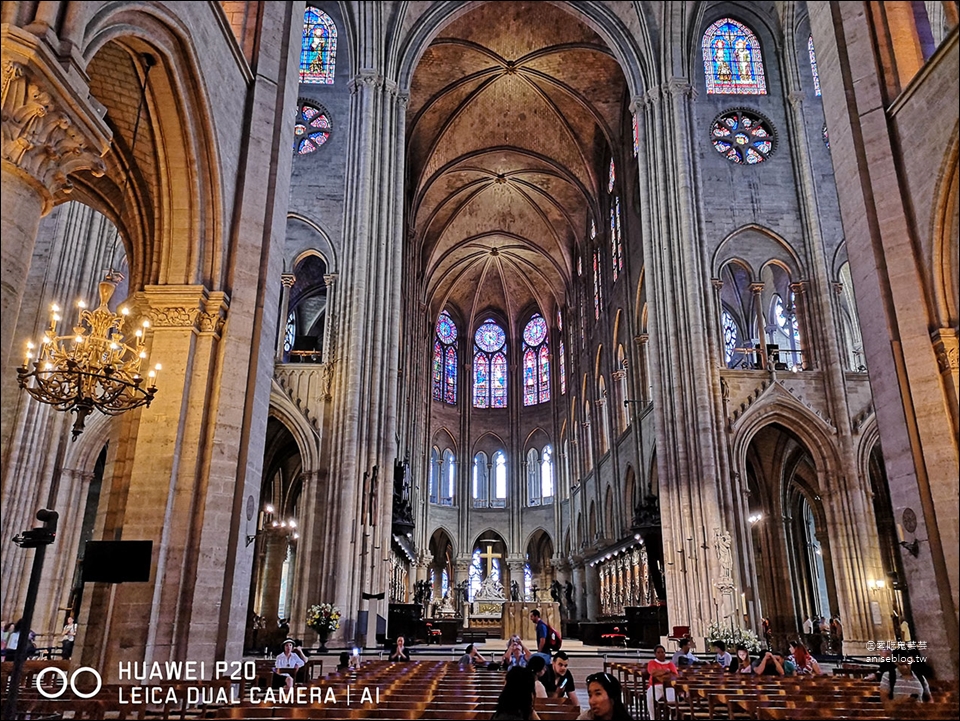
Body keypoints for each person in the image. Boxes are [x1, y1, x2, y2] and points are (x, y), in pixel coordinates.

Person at [645, 644, 677, 712]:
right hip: (655, 686)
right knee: (651, 698)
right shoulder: (652, 662)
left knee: (672, 700)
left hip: (669, 686)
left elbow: (674, 675)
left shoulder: (670, 664)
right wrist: (666, 671)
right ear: (655, 654)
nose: (661, 654)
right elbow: (653, 672)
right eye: (658, 652)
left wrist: (660, 673)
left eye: (662, 652)